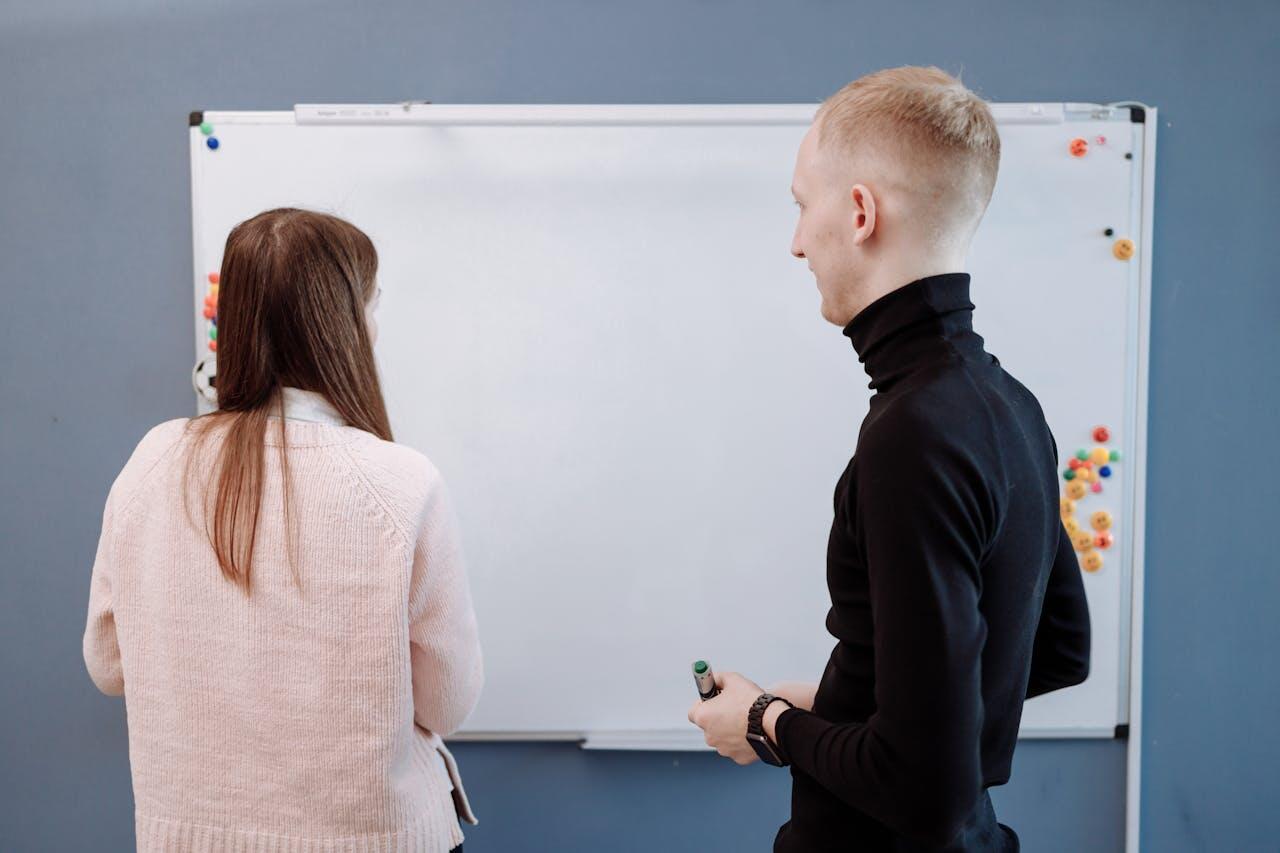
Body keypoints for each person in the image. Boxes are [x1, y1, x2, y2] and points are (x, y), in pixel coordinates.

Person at [688, 67, 1091, 851]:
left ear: (861, 211)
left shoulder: (913, 432)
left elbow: (919, 784)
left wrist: (767, 722)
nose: (797, 241)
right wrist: (849, 701)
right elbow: (1057, 649)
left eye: (804, 206)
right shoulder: (1010, 404)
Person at [83, 208, 483, 853]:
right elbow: (447, 703)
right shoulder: (400, 483)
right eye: (372, 306)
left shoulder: (152, 462)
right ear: (347, 325)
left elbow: (108, 665)